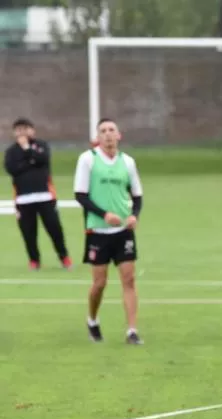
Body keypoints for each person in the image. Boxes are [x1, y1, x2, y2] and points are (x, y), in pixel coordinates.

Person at [73, 118, 144, 344]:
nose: (107, 134)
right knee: (99, 283)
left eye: (111, 130)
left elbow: (137, 196)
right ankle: (92, 320)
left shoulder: (128, 162)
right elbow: (81, 195)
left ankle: (132, 331)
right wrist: (105, 215)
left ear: (119, 135)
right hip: (98, 231)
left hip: (123, 231)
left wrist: (134, 215)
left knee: (129, 280)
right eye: (103, 131)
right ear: (98, 136)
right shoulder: (88, 159)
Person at [4, 117, 71, 270]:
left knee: (54, 228)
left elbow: (42, 159)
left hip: (46, 196)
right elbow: (12, 169)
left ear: (32, 130)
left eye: (25, 128)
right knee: (28, 232)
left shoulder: (41, 146)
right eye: (18, 129)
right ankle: (34, 260)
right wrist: (30, 161)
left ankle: (64, 256)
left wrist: (27, 149)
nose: (22, 132)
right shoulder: (11, 152)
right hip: (23, 199)